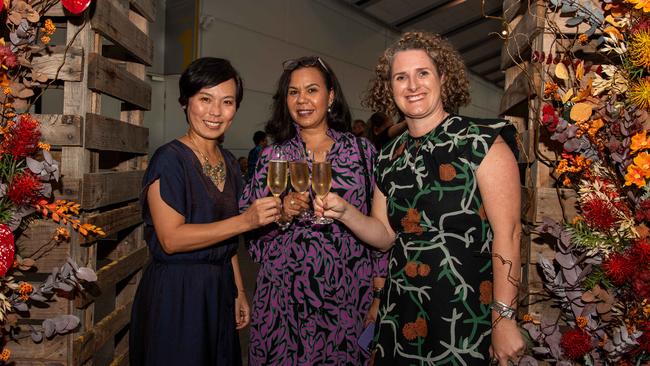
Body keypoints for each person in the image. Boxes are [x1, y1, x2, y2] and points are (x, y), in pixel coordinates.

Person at [315, 32, 526, 366]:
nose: (412, 85)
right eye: (401, 77)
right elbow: (385, 236)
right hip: (401, 310)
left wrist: (504, 317)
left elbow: (509, 233)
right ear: (390, 87)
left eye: (422, 73)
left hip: (463, 311)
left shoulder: (482, 142)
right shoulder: (389, 156)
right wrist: (344, 212)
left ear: (443, 78)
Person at [129, 57, 281, 366]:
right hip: (177, 292)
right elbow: (171, 238)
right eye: (205, 99)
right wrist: (247, 219)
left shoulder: (227, 162)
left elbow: (228, 234)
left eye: (227, 102)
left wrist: (239, 288)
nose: (215, 112)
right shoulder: (169, 160)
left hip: (219, 288)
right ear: (186, 102)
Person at [240, 56, 388, 365]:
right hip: (283, 299)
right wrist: (280, 215)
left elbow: (382, 231)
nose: (302, 100)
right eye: (293, 92)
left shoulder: (362, 152)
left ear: (330, 95)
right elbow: (252, 238)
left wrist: (378, 295)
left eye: (311, 90)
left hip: (347, 297)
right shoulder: (272, 157)